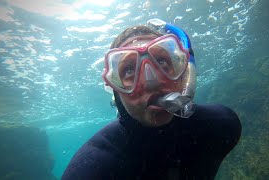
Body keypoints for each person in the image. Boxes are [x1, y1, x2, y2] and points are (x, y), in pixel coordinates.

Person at [62, 19, 241, 180]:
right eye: (130, 70)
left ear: (184, 74)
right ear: (115, 88)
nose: (151, 81)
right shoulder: (92, 171)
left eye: (162, 61)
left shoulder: (222, 127)